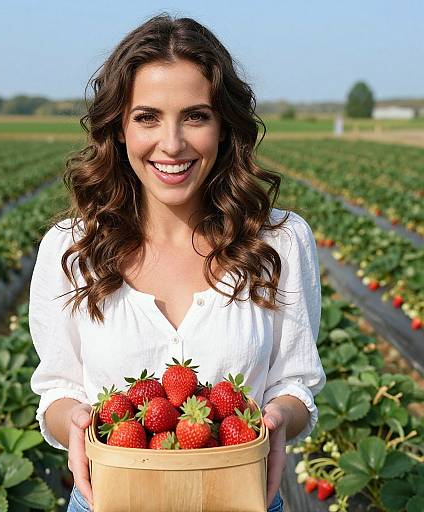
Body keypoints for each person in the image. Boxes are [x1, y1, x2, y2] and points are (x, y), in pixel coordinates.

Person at [29, 13, 326, 512]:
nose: (172, 143)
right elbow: (58, 387)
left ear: (224, 127)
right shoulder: (70, 249)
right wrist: (76, 420)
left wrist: (276, 418)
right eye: (147, 117)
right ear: (119, 130)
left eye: (195, 116)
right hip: (111, 500)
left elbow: (297, 381)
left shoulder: (280, 241)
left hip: (239, 497)